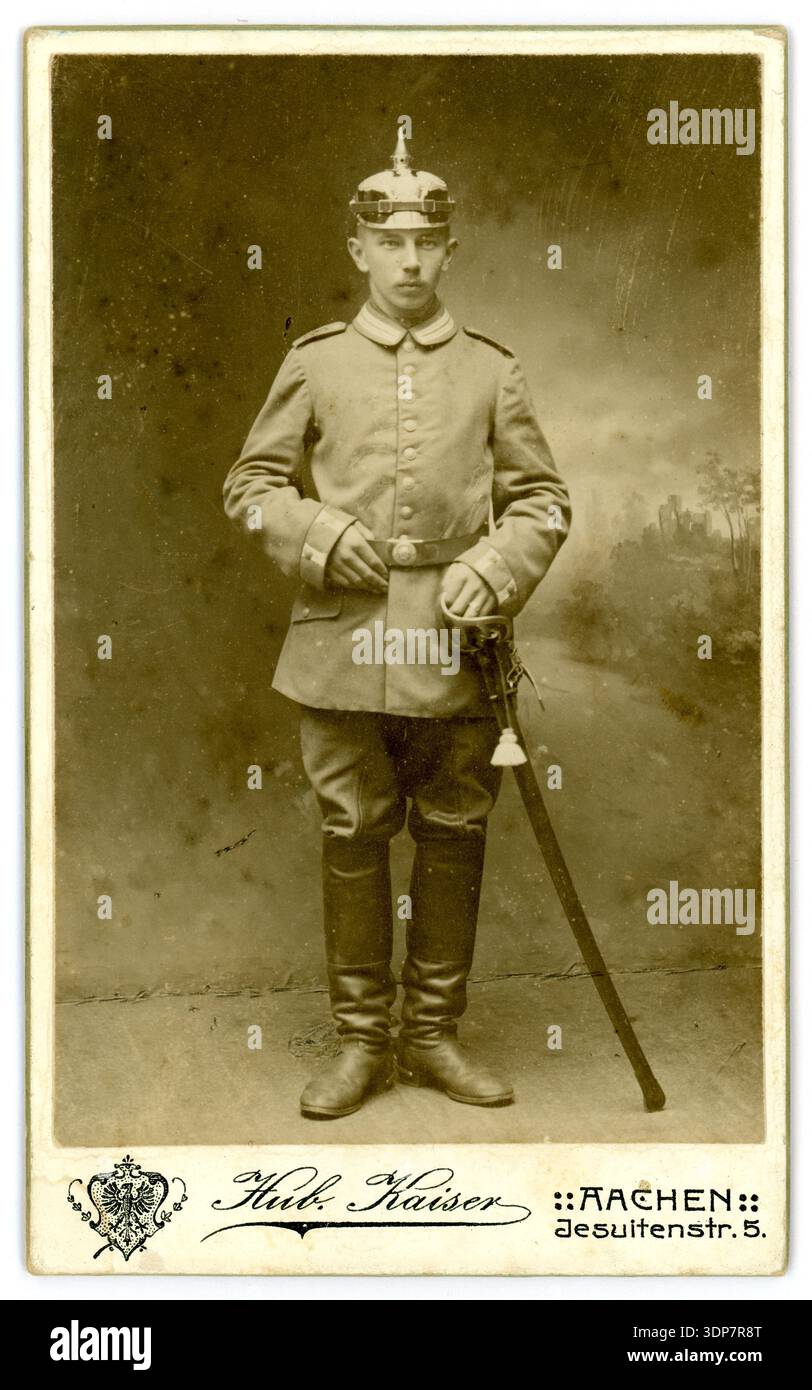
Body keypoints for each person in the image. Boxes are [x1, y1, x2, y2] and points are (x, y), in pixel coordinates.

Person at [223, 126, 571, 1119]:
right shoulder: (317, 362)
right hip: (336, 642)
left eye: (428, 244)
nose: (410, 262)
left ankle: (431, 1035)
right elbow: (248, 484)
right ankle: (360, 1042)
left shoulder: (492, 370)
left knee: (455, 823)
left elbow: (543, 502)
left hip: (456, 646)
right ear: (358, 249)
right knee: (352, 826)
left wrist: (493, 569)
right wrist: (316, 530)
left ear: (449, 249)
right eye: (392, 244)